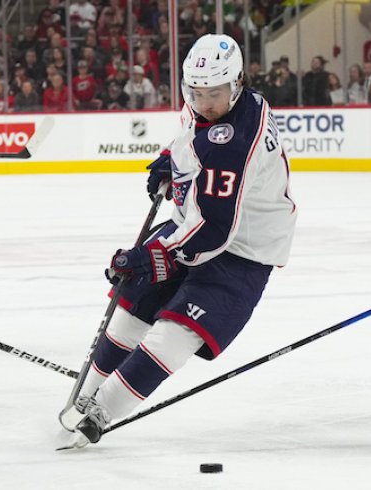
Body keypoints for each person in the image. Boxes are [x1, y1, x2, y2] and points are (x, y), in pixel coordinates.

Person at [66, 33, 297, 445]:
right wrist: (169, 159)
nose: (204, 102)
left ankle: (104, 408)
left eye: (215, 93)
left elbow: (213, 229)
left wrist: (152, 257)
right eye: (196, 92)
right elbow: (192, 137)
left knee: (178, 329)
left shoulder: (236, 141)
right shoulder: (215, 107)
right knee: (136, 302)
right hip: (196, 224)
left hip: (242, 249)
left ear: (238, 82)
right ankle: (86, 394)